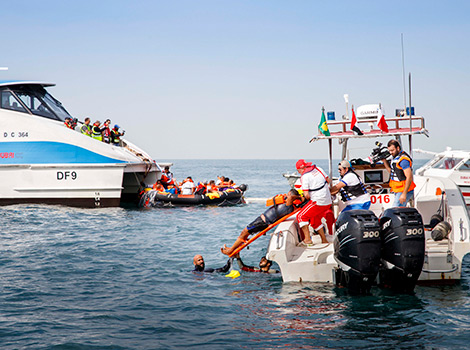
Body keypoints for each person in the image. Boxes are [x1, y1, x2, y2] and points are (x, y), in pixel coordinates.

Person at [221, 189, 302, 256]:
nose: (286, 196)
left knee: (244, 232)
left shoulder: (289, 206)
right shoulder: (285, 203)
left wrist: (299, 197)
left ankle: (231, 250)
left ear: (292, 197)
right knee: (245, 233)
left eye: (288, 195)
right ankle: (233, 248)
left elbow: (292, 197)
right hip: (261, 220)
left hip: (262, 222)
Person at [295, 159, 332, 245]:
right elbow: (328, 180)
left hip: (318, 201)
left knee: (301, 216)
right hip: (328, 201)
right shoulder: (318, 169)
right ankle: (324, 240)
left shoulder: (305, 177)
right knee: (315, 220)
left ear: (300, 169)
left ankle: (307, 240)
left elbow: (306, 195)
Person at [383, 139, 416, 207]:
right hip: (397, 190)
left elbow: (409, 177)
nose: (391, 152)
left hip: (404, 190)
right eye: (389, 151)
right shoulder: (395, 158)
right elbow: (392, 172)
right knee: (398, 210)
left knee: (395, 210)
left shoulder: (403, 160)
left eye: (392, 150)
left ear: (398, 148)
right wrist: (384, 161)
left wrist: (404, 193)